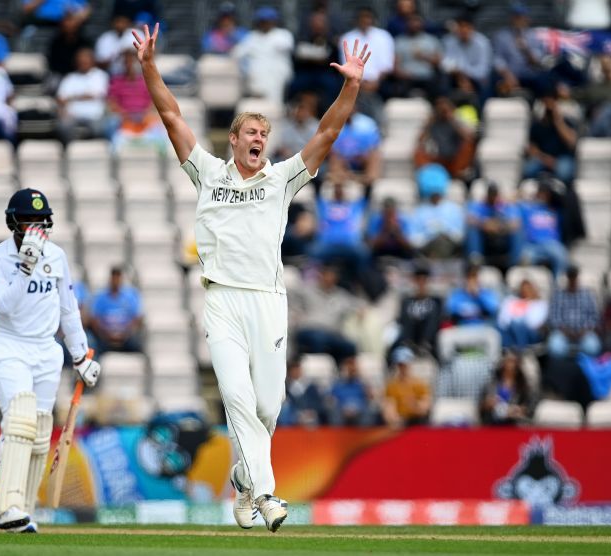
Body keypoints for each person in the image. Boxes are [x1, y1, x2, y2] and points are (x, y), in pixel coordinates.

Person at [133, 21, 371, 531]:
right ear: (234, 140)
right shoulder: (208, 172)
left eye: (265, 134)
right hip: (222, 300)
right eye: (252, 134)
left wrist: (350, 85)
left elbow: (328, 132)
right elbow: (171, 114)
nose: (260, 139)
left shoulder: (281, 178)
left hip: (268, 299)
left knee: (267, 405)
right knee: (238, 399)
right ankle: (266, 495)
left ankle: (243, 480)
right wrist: (150, 67)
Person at [0, 188, 100, 532]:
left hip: (47, 350)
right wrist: (26, 267)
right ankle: (6, 506)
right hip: (9, 346)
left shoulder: (57, 256)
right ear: (13, 223)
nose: (33, 227)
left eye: (39, 220)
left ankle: (22, 508)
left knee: (39, 430)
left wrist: (80, 356)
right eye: (27, 220)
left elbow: (68, 308)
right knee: (20, 418)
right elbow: (5, 305)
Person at [293, 266, 360, 365]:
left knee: (350, 346)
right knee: (319, 339)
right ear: (321, 276)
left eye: (333, 277)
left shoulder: (341, 295)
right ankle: (318, 369)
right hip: (310, 329)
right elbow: (291, 299)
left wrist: (361, 310)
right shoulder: (307, 290)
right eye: (327, 276)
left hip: (332, 333)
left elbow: (356, 304)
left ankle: (342, 374)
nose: (330, 279)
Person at [231, 7, 294, 104]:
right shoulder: (252, 37)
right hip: (256, 80)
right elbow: (236, 54)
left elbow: (288, 46)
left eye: (268, 21)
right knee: (258, 110)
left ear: (274, 21)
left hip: (276, 79)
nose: (265, 24)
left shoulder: (283, 35)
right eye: (262, 21)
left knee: (275, 107)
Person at [522, 89, 579, 186]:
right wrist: (546, 160)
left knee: (565, 172)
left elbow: (572, 143)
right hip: (542, 158)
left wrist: (558, 121)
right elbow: (531, 149)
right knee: (528, 170)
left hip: (562, 158)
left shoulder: (566, 122)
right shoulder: (536, 126)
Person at [413, 95, 476, 182]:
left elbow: (468, 138)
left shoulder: (455, 121)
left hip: (454, 159)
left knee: (468, 146)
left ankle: (457, 173)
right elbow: (420, 141)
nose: (442, 111)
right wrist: (429, 123)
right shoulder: (433, 123)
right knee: (418, 152)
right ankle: (433, 174)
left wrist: (452, 119)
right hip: (438, 159)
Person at [409, 163, 465, 259]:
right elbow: (414, 239)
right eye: (433, 194)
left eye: (437, 193)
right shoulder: (419, 211)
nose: (436, 196)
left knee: (442, 241)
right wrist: (429, 234)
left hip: (449, 246)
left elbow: (459, 235)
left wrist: (444, 230)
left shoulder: (453, 209)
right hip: (427, 248)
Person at [56, 47, 109, 143]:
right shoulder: (70, 78)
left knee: (100, 128)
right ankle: (71, 151)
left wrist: (72, 97)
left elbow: (97, 94)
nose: (83, 63)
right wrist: (83, 96)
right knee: (62, 126)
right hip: (72, 116)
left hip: (95, 116)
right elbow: (61, 99)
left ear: (92, 61)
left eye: (85, 61)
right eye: (80, 61)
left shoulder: (101, 76)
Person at [547, 265, 601, 357]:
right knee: (555, 348)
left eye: (574, 276)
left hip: (584, 332)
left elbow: (594, 316)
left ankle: (586, 368)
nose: (572, 279)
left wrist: (584, 330)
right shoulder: (558, 294)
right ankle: (561, 370)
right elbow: (553, 317)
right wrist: (565, 331)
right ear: (567, 277)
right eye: (570, 276)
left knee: (593, 348)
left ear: (577, 277)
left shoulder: (587, 294)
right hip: (563, 333)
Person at [465, 182, 522, 270]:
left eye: (495, 195)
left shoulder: (506, 206)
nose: (493, 198)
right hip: (485, 239)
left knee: (518, 232)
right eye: (491, 194)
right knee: (472, 230)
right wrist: (484, 224)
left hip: (502, 238)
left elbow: (516, 223)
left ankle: (516, 261)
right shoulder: (478, 205)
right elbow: (470, 219)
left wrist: (500, 226)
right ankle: (475, 258)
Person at [518, 181, 569, 276]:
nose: (543, 195)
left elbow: (566, 201)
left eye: (545, 193)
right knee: (524, 260)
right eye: (540, 192)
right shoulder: (528, 208)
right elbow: (513, 200)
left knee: (561, 256)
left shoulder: (555, 209)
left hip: (551, 243)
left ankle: (557, 286)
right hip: (532, 245)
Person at [89, 266, 144, 355]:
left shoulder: (131, 296)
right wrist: (106, 335)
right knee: (94, 348)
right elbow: (94, 320)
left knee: (137, 347)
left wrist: (125, 334)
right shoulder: (100, 297)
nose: (115, 281)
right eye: (114, 278)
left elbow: (137, 318)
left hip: (126, 337)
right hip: (105, 338)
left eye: (118, 278)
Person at [387, 12, 443, 99]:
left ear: (422, 23)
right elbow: (395, 66)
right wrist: (404, 74)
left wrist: (424, 56)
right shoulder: (399, 41)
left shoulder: (431, 40)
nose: (413, 24)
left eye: (416, 21)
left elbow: (438, 62)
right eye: (411, 21)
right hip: (407, 78)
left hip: (427, 77)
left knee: (439, 87)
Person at [394, 265, 442, 356]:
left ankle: (425, 346)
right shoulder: (407, 301)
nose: (421, 284)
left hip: (429, 338)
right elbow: (401, 320)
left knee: (432, 315)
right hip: (411, 335)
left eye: (424, 280)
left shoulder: (435, 301)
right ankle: (408, 346)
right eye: (418, 280)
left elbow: (438, 322)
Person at [480, 351, 533, 425]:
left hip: (513, 424)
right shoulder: (491, 384)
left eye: (514, 361)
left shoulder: (523, 386)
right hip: (492, 423)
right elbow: (481, 406)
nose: (511, 365)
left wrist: (517, 410)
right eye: (508, 361)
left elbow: (528, 408)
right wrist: (488, 403)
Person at [382, 346, 430, 427]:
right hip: (400, 424)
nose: (403, 367)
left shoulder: (420, 384)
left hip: (417, 422)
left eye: (405, 364)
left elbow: (424, 408)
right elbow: (389, 409)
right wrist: (395, 419)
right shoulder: (392, 386)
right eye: (400, 365)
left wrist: (414, 406)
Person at [497, 279, 548, 349]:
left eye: (528, 288)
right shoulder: (510, 300)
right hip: (509, 330)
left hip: (531, 333)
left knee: (518, 323)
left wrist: (517, 320)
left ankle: (521, 351)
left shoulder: (541, 304)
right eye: (523, 288)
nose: (525, 291)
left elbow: (535, 323)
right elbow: (502, 320)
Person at [276, 359, 328, 426]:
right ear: (289, 372)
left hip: (310, 414)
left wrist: (311, 411)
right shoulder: (283, 387)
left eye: (298, 370)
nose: (297, 372)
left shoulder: (310, 387)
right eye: (294, 370)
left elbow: (318, 403)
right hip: (293, 416)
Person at [329, 355, 377, 425]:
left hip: (359, 411)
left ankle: (365, 435)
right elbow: (330, 398)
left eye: (352, 369)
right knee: (334, 413)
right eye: (348, 368)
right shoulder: (337, 384)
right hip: (342, 411)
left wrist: (364, 383)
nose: (350, 371)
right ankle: (338, 435)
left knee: (368, 413)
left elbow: (371, 397)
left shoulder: (362, 384)